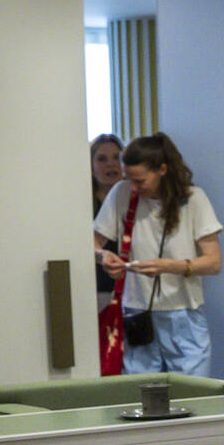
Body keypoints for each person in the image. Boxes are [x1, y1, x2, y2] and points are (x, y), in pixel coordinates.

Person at [94, 132, 223, 377]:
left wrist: (169, 266)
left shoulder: (193, 199)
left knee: (192, 398)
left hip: (183, 312)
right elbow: (92, 243)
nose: (134, 187)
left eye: (140, 181)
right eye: (129, 179)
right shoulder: (122, 193)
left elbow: (213, 262)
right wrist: (103, 257)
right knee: (141, 398)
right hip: (136, 313)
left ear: (162, 170)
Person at [89, 133, 123, 317]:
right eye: (102, 159)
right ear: (91, 167)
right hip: (94, 290)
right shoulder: (81, 207)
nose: (111, 164)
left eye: (117, 158)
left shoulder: (137, 202)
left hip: (131, 292)